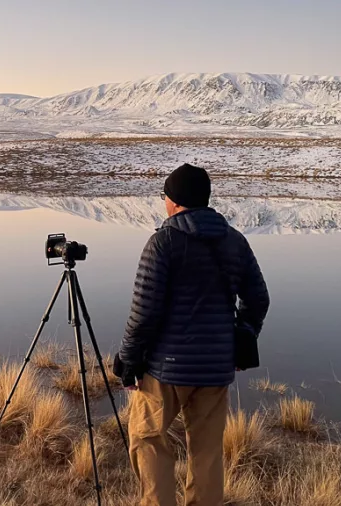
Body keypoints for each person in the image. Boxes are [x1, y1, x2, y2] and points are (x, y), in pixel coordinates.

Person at [113, 163, 270, 506]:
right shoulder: (235, 241)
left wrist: (127, 358)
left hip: (164, 369)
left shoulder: (162, 242)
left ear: (174, 201)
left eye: (165, 197)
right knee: (207, 452)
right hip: (215, 369)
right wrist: (242, 336)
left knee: (149, 438)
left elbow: (143, 313)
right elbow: (258, 298)